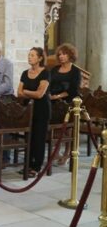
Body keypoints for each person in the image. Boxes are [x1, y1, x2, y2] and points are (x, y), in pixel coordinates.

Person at [17, 47, 51, 177]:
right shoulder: (25, 73)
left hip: (41, 110)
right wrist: (28, 93)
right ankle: (28, 164)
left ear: (40, 58)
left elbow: (40, 94)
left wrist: (26, 91)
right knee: (29, 138)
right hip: (28, 110)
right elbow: (18, 93)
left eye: (32, 55)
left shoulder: (45, 73)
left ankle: (36, 167)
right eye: (29, 55)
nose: (29, 57)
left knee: (38, 138)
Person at [49, 43, 81, 166]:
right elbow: (48, 83)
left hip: (69, 101)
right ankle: (56, 151)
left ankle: (67, 152)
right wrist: (50, 95)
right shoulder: (54, 69)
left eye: (64, 54)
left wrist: (57, 96)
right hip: (53, 101)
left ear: (70, 55)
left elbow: (73, 90)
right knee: (55, 126)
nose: (61, 56)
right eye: (60, 54)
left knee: (67, 128)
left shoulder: (75, 71)